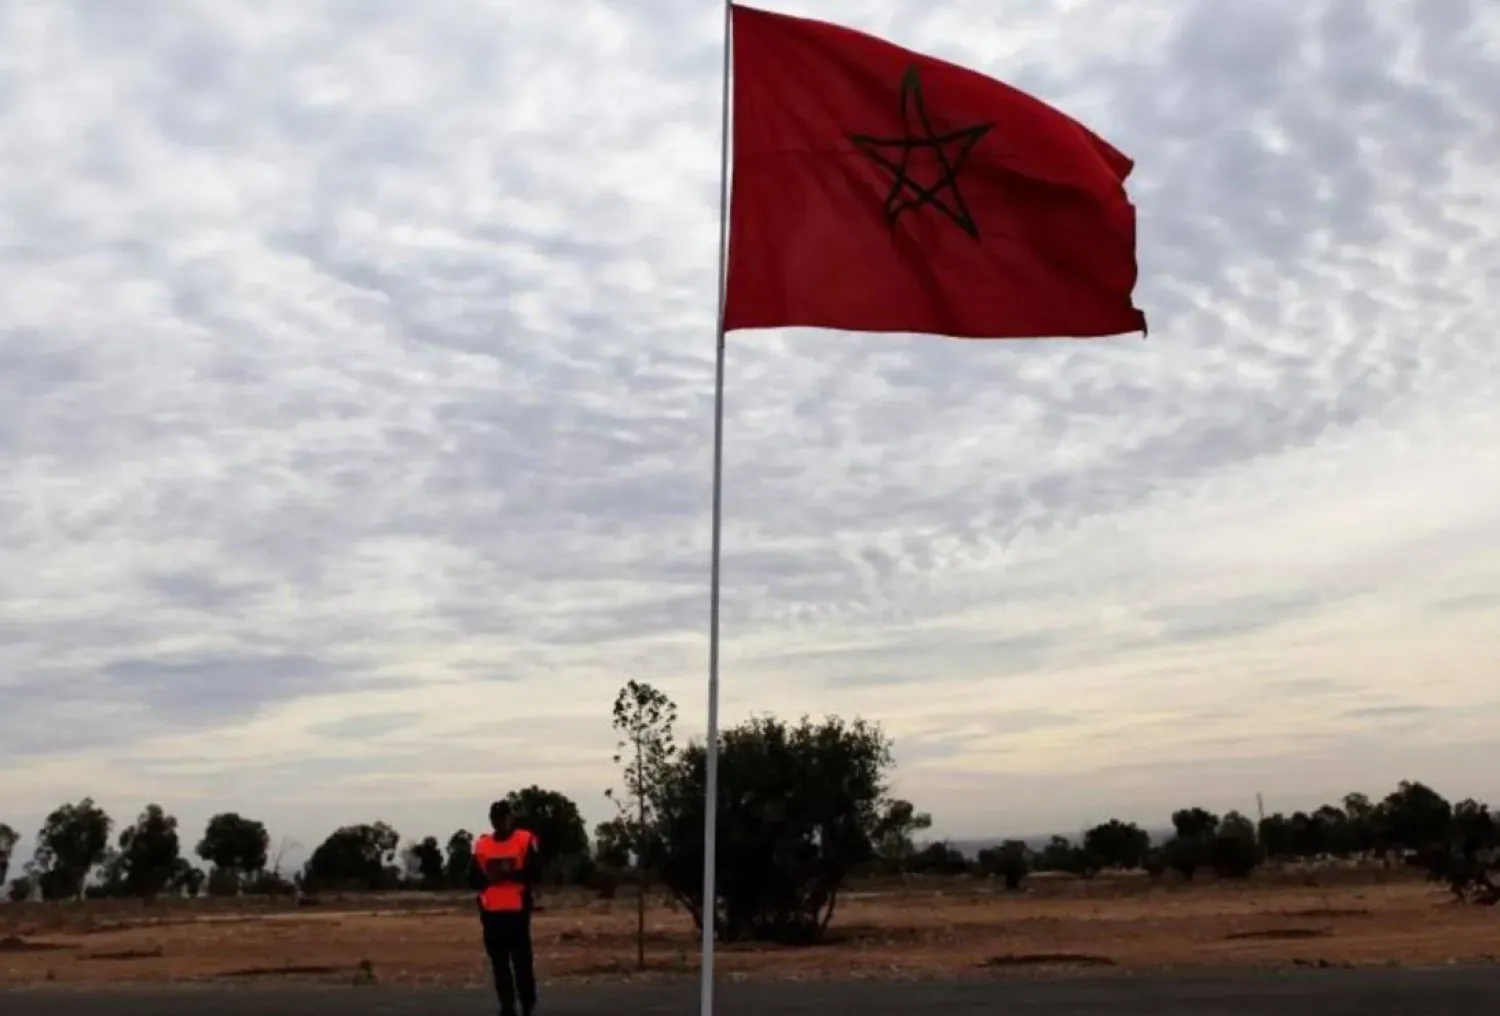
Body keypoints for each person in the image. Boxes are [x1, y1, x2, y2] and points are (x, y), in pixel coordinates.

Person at [470, 799, 541, 1016]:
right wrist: (488, 879)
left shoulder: (525, 840)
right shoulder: (482, 845)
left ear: (511, 818)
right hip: (492, 913)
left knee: (521, 962)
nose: (500, 823)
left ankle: (527, 1003)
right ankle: (507, 1006)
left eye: (504, 818)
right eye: (496, 818)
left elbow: (535, 873)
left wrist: (508, 874)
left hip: (517, 911)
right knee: (500, 964)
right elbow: (472, 878)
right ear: (492, 820)